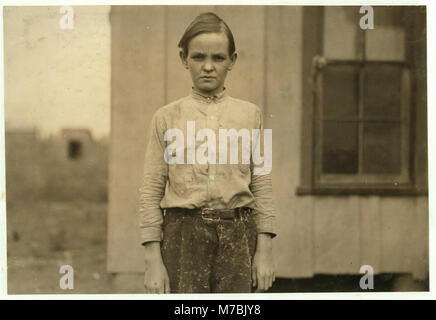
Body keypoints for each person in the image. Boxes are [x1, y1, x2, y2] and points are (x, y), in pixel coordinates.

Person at [138, 12, 276, 293]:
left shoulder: (252, 115)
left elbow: (262, 184)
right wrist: (153, 260)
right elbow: (151, 190)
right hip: (183, 236)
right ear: (183, 58)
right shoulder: (166, 118)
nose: (208, 67)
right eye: (199, 57)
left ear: (232, 61)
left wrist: (265, 251)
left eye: (218, 58)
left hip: (238, 235)